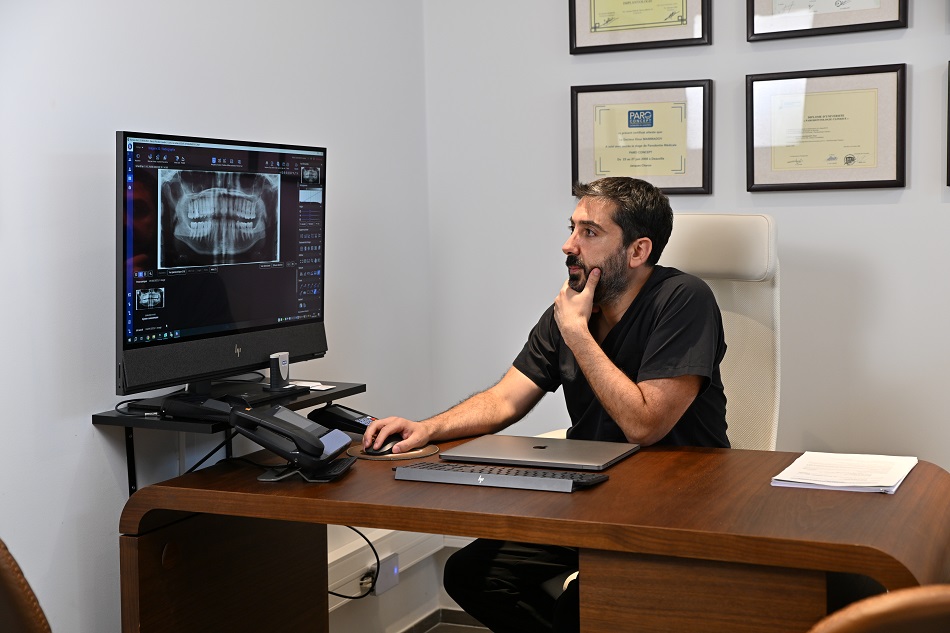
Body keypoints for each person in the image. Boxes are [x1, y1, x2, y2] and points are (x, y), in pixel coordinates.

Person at [363, 176, 728, 633]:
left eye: (589, 232)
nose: (568, 245)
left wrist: (578, 334)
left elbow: (645, 424)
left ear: (638, 251)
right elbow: (504, 399)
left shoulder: (684, 299)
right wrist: (427, 428)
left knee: (582, 607)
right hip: (596, 495)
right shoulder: (573, 310)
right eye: (572, 228)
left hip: (677, 506)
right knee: (472, 576)